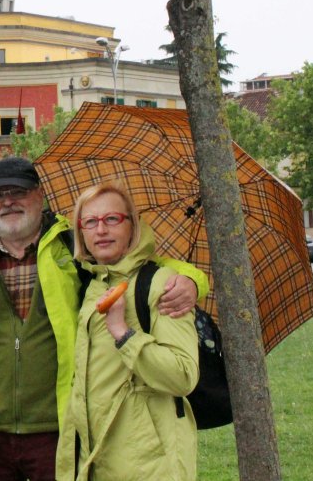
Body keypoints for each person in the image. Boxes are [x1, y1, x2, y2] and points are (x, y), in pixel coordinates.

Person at [0, 157, 207, 481]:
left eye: (18, 192)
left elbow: (139, 262)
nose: (8, 202)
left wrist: (192, 280)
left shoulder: (72, 247)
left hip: (60, 431)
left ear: (39, 195)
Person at [55, 181, 198, 480]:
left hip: (148, 465)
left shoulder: (161, 284)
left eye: (112, 219)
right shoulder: (95, 285)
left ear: (132, 225)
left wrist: (123, 333)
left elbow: (183, 376)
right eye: (90, 222)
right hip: (98, 458)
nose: (101, 230)